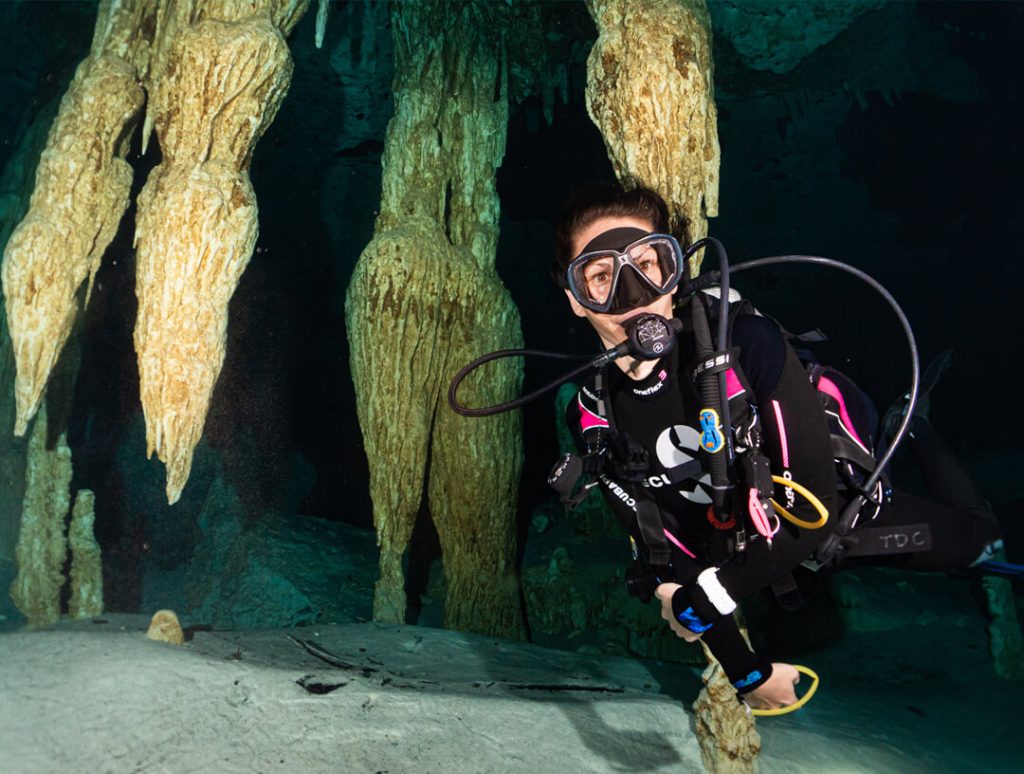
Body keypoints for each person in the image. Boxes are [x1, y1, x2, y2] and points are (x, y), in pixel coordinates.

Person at [553, 181, 1004, 710]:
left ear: (674, 273)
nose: (632, 295)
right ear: (575, 300)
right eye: (601, 277)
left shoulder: (748, 344)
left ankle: (914, 424)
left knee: (983, 544)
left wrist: (710, 597)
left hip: (841, 525)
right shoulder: (592, 414)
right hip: (740, 558)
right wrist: (748, 673)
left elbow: (816, 513)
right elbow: (662, 551)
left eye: (648, 264)